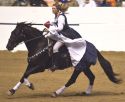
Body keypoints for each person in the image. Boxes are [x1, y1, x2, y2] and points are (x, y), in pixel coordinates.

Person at [43, 2, 97, 72]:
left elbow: (60, 28)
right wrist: (50, 23)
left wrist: (50, 29)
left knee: (55, 48)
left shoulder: (61, 17)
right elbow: (55, 22)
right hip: (61, 34)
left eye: (54, 8)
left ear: (58, 9)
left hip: (65, 35)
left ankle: (55, 65)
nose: (52, 10)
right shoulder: (57, 15)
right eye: (52, 8)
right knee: (49, 38)